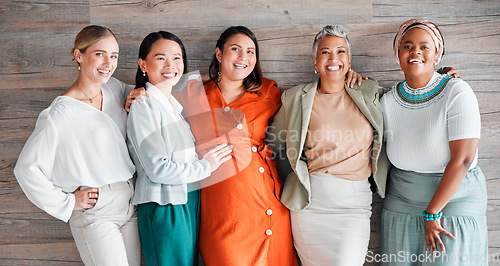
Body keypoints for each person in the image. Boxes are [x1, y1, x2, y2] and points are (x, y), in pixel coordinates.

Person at [14, 25, 141, 265]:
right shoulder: (59, 114)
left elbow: (141, 93)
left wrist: (138, 93)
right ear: (78, 55)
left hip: (129, 200)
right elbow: (25, 169)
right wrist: (68, 202)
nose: (108, 62)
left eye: (113, 56)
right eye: (100, 54)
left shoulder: (113, 88)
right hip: (96, 209)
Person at [268, 24, 390, 265]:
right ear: (315, 61)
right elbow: (269, 142)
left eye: (340, 51)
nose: (333, 58)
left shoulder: (369, 90)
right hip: (310, 205)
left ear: (350, 59)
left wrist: (442, 81)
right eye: (325, 52)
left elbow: (409, 99)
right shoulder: (295, 99)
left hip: (353, 206)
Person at [380, 19, 487, 265]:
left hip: (453, 202)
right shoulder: (386, 101)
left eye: (424, 46)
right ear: (397, 54)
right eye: (407, 46)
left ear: (437, 54)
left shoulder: (457, 92)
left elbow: (463, 159)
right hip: (402, 202)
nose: (415, 51)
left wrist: (432, 213)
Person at [126, 31, 232, 266]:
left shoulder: (173, 105)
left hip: (187, 202)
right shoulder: (143, 106)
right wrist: (206, 166)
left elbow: (187, 82)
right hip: (165, 206)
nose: (170, 65)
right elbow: (158, 169)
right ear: (143, 63)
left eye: (177, 58)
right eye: (161, 58)